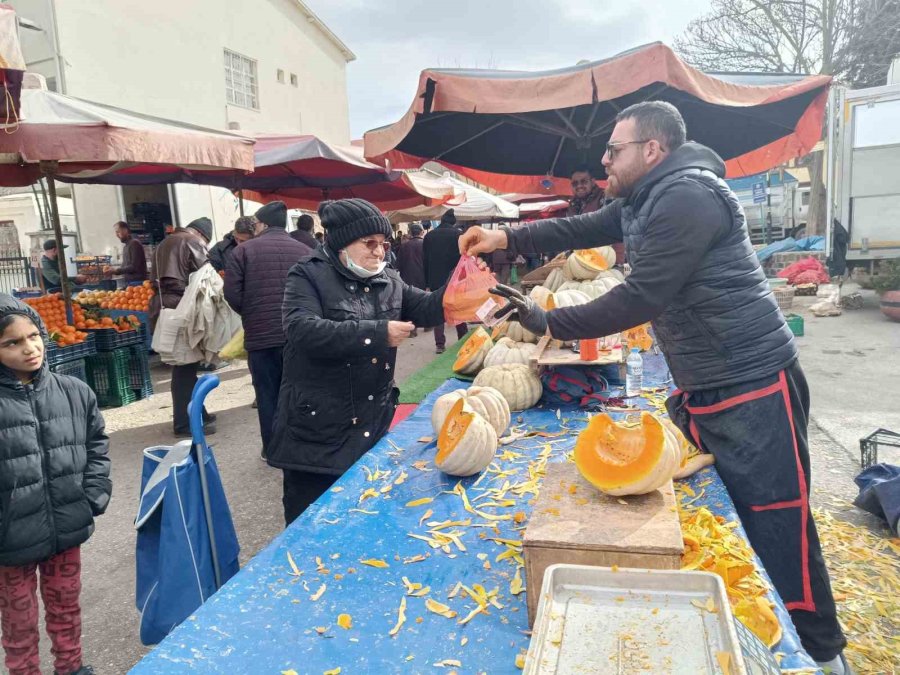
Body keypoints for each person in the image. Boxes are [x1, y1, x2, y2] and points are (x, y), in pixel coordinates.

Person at [460, 101, 850, 675]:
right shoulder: (647, 197)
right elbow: (579, 227)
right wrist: (504, 237)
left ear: (652, 150)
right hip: (711, 379)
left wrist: (550, 323)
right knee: (743, 518)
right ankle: (759, 636)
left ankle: (819, 653)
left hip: (750, 379)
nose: (603, 159)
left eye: (613, 150)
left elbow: (642, 297)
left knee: (777, 518)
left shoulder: (688, 195)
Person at [268, 198, 446, 525]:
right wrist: (377, 334)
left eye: (384, 244)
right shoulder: (307, 275)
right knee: (312, 528)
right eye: (370, 243)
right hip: (317, 436)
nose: (379, 252)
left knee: (363, 521)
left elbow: (430, 307)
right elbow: (301, 329)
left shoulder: (388, 280)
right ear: (340, 244)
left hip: (370, 427)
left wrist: (467, 288)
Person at [0, 293, 111, 675]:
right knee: (18, 621)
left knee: (66, 606)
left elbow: (96, 443)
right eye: (11, 343)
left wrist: (93, 493)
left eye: (32, 336)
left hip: (66, 525)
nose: (29, 349)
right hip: (9, 540)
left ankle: (71, 666)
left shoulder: (74, 392)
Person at [225, 201, 311, 459]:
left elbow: (231, 293)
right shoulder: (305, 251)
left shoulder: (243, 252)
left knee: (267, 393)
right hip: (298, 336)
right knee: (298, 390)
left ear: (261, 224)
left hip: (260, 336)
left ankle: (273, 449)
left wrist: (251, 313)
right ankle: (300, 444)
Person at [150, 217, 217, 437]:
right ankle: (184, 423)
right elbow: (206, 276)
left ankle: (200, 412)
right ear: (202, 234)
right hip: (180, 306)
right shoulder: (191, 241)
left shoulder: (164, 242)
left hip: (164, 306)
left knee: (186, 365)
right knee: (184, 367)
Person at [423, 209, 467, 353]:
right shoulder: (458, 234)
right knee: (458, 307)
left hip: (435, 279)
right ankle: (463, 339)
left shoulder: (429, 236)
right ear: (453, 222)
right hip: (455, 278)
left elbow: (425, 260)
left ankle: (440, 344)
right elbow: (464, 258)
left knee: (438, 309)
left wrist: (427, 283)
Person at [567, 166, 625, 265]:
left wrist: (616, 260)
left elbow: (617, 228)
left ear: (593, 182)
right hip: (584, 261)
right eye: (575, 183)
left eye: (584, 181)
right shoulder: (572, 205)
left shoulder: (606, 197)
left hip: (609, 261)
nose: (579, 186)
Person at [397, 222, 427, 337]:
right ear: (421, 232)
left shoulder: (404, 246)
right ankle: (427, 324)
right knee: (423, 301)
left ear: (410, 233)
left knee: (410, 303)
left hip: (407, 278)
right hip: (422, 277)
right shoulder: (425, 244)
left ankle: (412, 329)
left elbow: (398, 264)